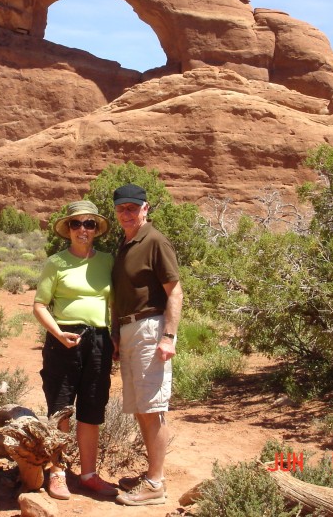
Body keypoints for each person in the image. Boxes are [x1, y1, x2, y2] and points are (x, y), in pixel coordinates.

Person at [33, 200, 120, 500]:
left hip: (99, 340)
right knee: (60, 407)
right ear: (67, 229)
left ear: (96, 229)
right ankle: (56, 471)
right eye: (76, 224)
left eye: (89, 224)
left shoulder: (107, 261)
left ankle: (89, 475)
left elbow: (116, 304)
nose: (83, 230)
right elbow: (39, 305)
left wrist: (116, 336)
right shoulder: (56, 263)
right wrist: (57, 333)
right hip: (64, 338)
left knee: (92, 407)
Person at [109, 183, 183, 507]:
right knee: (142, 409)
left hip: (150, 329)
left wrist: (168, 337)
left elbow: (175, 292)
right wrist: (116, 334)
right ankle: (154, 476)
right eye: (121, 208)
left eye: (132, 208)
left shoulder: (154, 240)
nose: (126, 213)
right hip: (129, 331)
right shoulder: (125, 243)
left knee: (152, 409)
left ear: (145, 208)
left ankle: (155, 484)